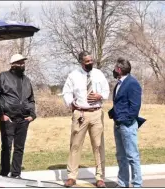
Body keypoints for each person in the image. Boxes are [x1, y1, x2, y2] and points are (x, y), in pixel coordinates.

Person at [62, 51, 110, 188]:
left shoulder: (99, 74)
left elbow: (106, 91)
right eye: (87, 61)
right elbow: (66, 92)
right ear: (81, 62)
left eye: (91, 60)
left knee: (98, 145)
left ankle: (100, 177)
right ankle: (71, 176)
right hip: (80, 114)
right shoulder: (73, 75)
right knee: (75, 145)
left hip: (96, 113)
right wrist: (71, 104)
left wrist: (100, 96)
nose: (90, 63)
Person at [0, 53, 36, 178]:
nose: (23, 65)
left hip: (23, 120)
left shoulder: (26, 80)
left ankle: (16, 173)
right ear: (13, 64)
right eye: (20, 63)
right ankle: (4, 173)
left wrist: (32, 115)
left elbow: (31, 99)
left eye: (23, 63)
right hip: (8, 119)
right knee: (6, 147)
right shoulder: (3, 77)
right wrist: (1, 114)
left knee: (19, 148)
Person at [108, 57, 146, 188]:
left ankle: (137, 184)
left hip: (127, 125)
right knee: (121, 156)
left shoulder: (132, 83)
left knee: (132, 156)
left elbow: (135, 106)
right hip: (118, 124)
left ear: (119, 69)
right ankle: (122, 183)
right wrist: (113, 113)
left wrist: (126, 120)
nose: (113, 70)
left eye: (114, 68)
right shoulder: (119, 83)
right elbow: (121, 103)